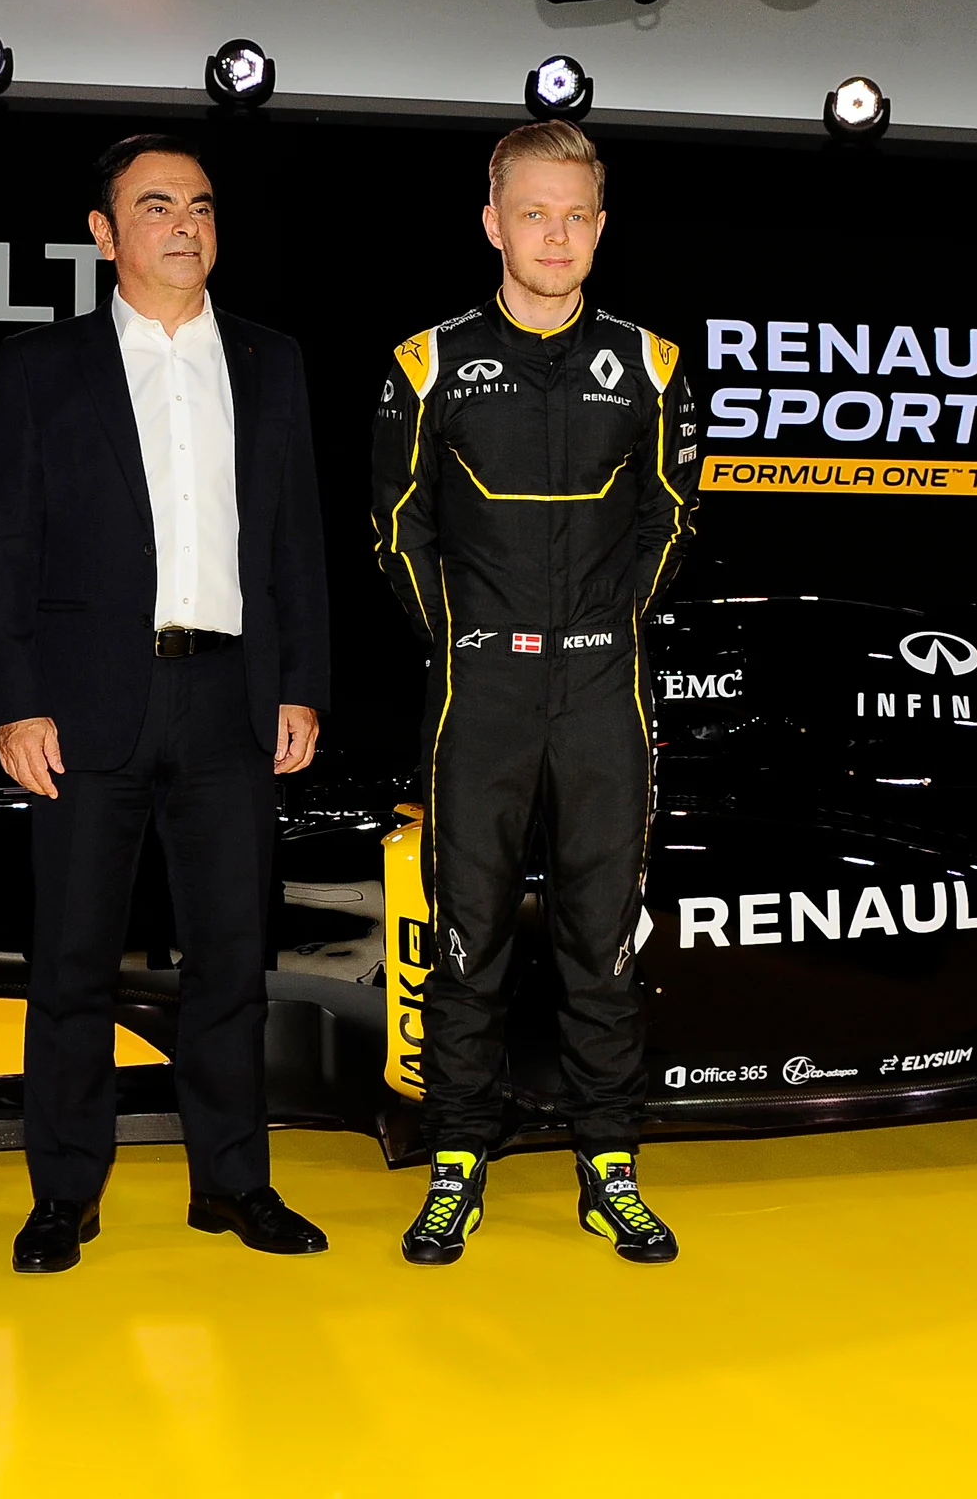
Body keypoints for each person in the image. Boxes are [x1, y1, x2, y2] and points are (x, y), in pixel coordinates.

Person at [0, 135, 333, 1274]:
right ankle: (62, 1197)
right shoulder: (45, 369)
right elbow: (4, 548)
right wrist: (16, 700)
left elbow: (296, 545)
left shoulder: (272, 362)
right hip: (87, 707)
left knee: (230, 961)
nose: (185, 224)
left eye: (201, 206)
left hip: (230, 698)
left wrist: (303, 685)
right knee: (73, 962)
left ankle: (233, 1184)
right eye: (156, 205)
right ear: (104, 230)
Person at [371, 121, 700, 1266]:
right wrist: (470, 641)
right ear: (492, 222)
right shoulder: (430, 360)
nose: (554, 236)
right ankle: (459, 1153)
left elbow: (671, 520)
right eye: (533, 212)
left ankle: (609, 1158)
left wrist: (603, 628)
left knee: (604, 935)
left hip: (607, 685)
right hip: (482, 693)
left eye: (576, 215)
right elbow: (398, 529)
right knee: (466, 933)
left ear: (599, 228)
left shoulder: (652, 363)